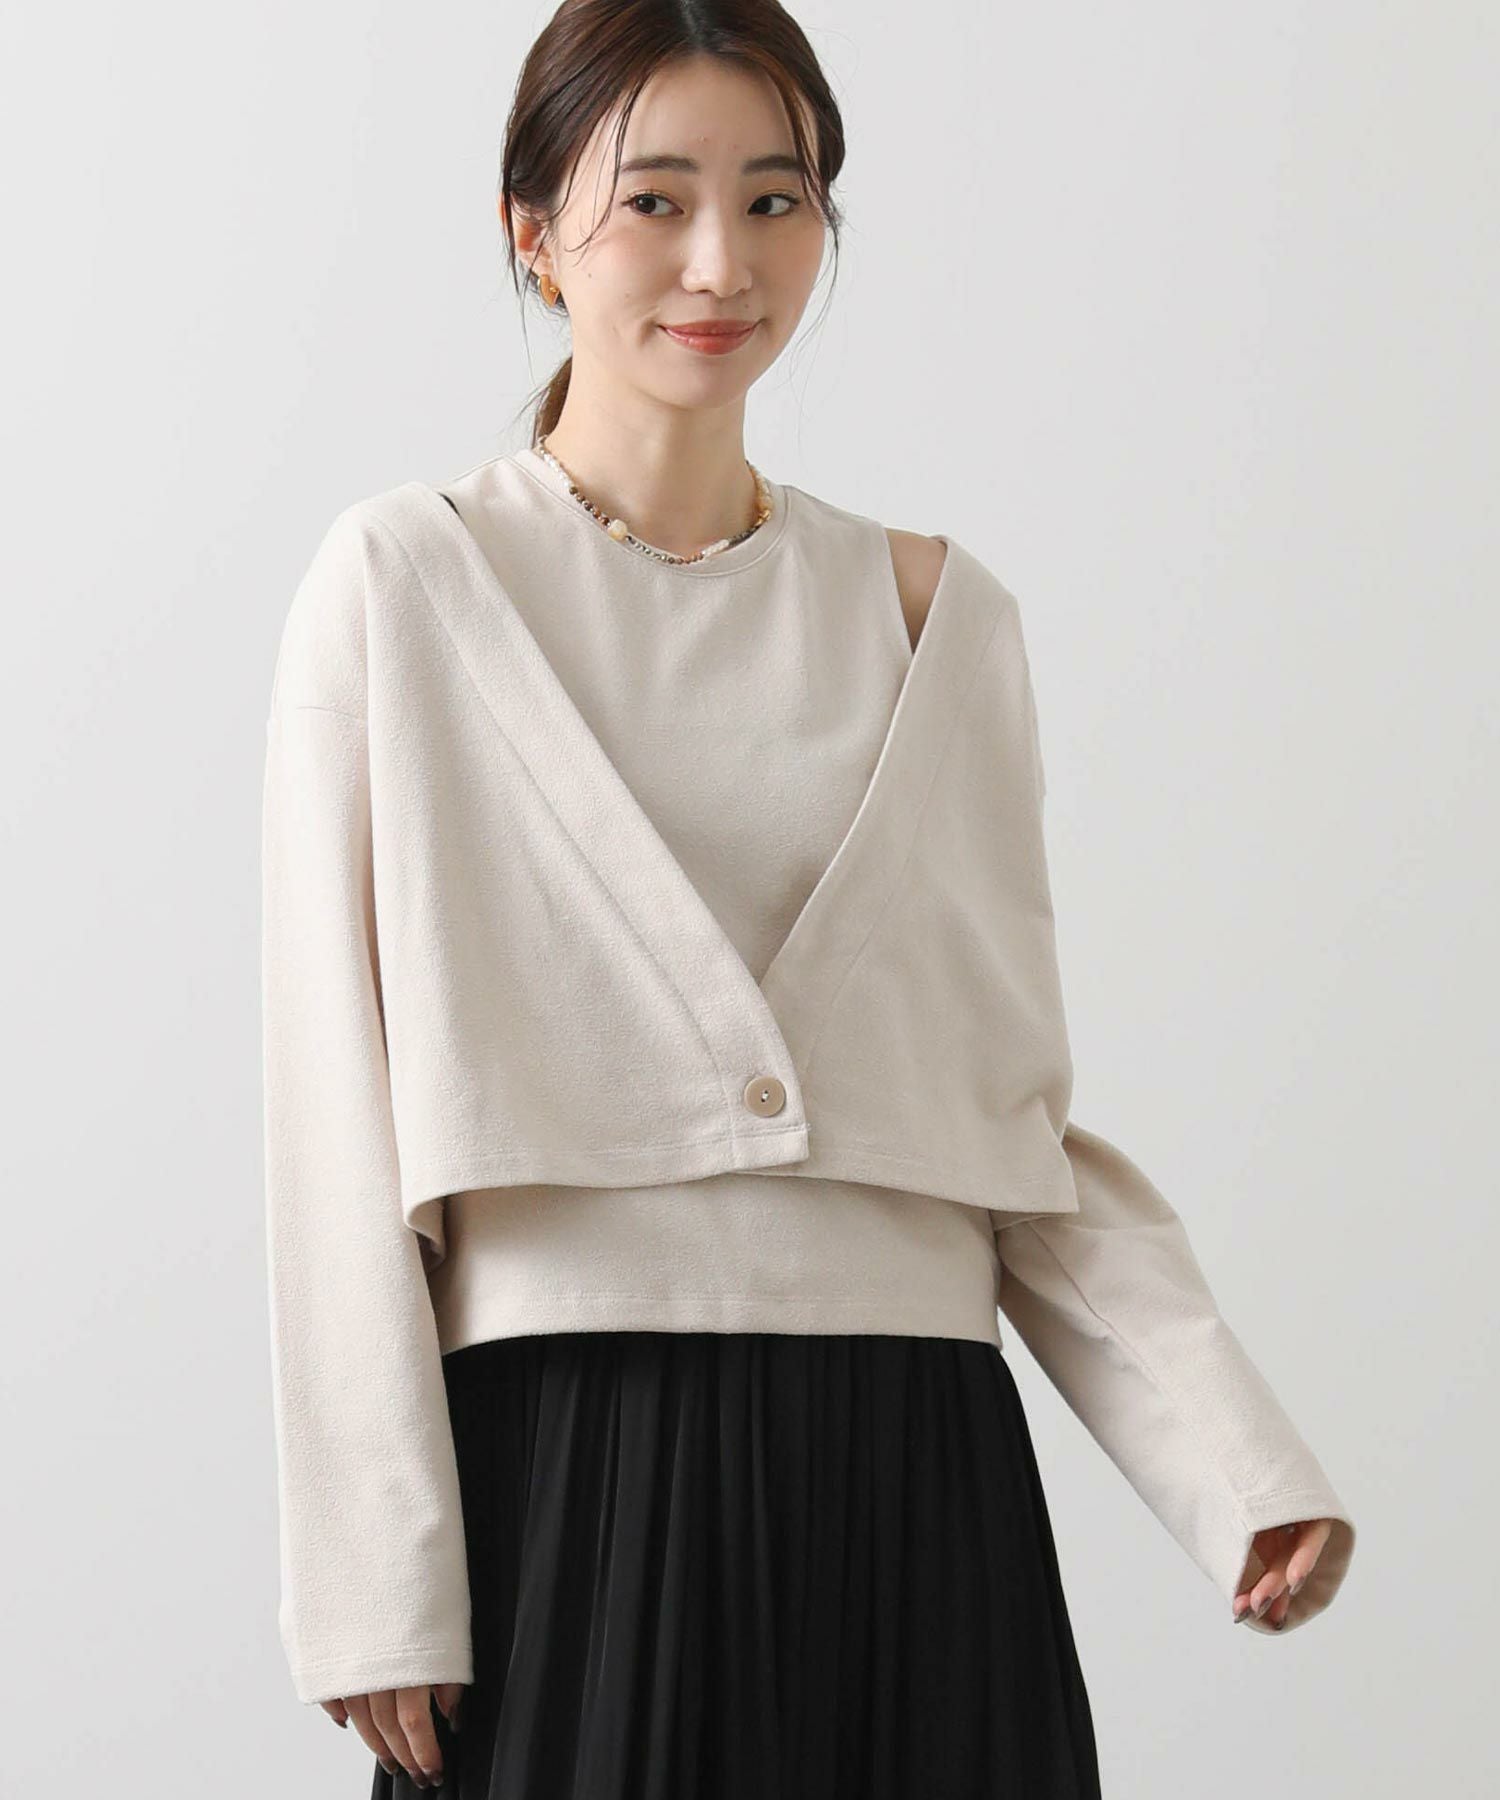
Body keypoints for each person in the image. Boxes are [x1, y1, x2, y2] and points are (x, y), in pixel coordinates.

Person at [260, 4, 1356, 1794]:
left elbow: (1004, 1126)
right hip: (566, 1475)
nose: (723, 262)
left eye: (776, 200)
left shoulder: (937, 618)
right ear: (532, 233)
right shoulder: (407, 585)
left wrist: (1232, 1465)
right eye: (656, 200)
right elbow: (331, 1105)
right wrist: (375, 1580)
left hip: (915, 1478)